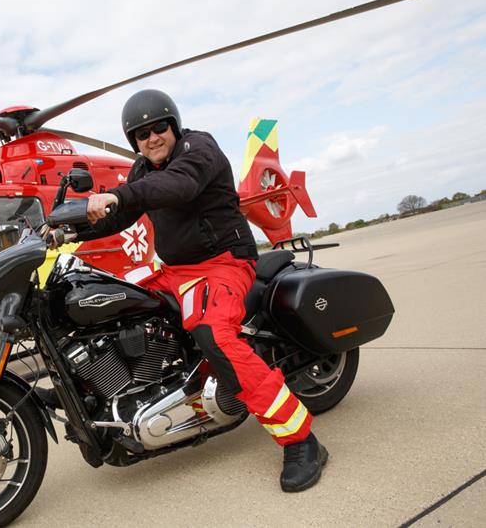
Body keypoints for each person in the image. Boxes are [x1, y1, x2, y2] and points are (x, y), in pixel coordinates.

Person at [77, 89, 328, 492]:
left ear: (174, 126)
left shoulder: (200, 148)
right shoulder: (142, 172)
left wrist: (118, 193)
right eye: (142, 134)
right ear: (134, 142)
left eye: (159, 127)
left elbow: (179, 186)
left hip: (224, 264)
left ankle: (299, 439)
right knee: (113, 303)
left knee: (214, 334)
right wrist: (66, 229)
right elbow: (120, 216)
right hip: (176, 269)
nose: (152, 137)